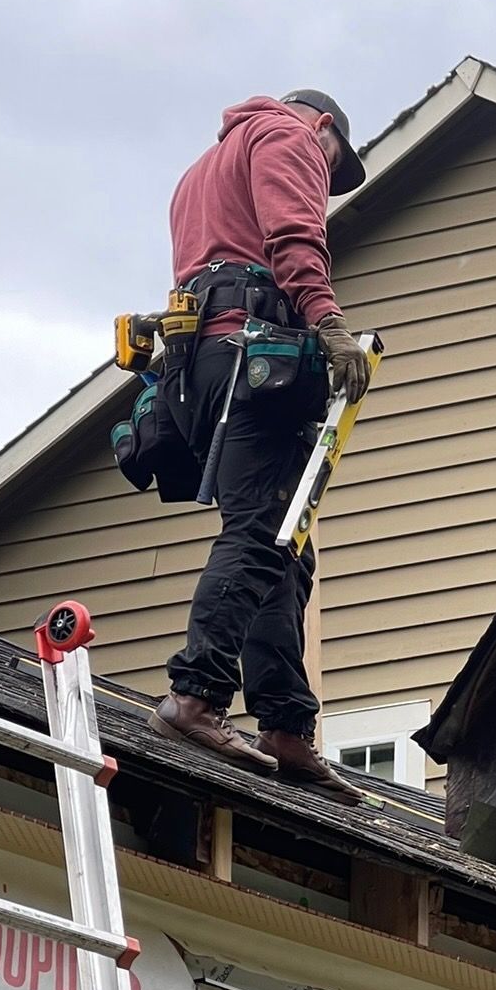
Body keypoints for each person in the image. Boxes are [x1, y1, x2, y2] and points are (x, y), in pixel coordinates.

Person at [148, 91, 373, 803]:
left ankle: (284, 726)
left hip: (200, 363)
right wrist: (329, 322)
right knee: (259, 530)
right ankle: (196, 695)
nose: (324, 177)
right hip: (253, 359)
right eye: (331, 164)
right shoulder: (289, 135)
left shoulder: (199, 171)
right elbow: (293, 236)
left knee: (285, 540)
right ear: (327, 128)